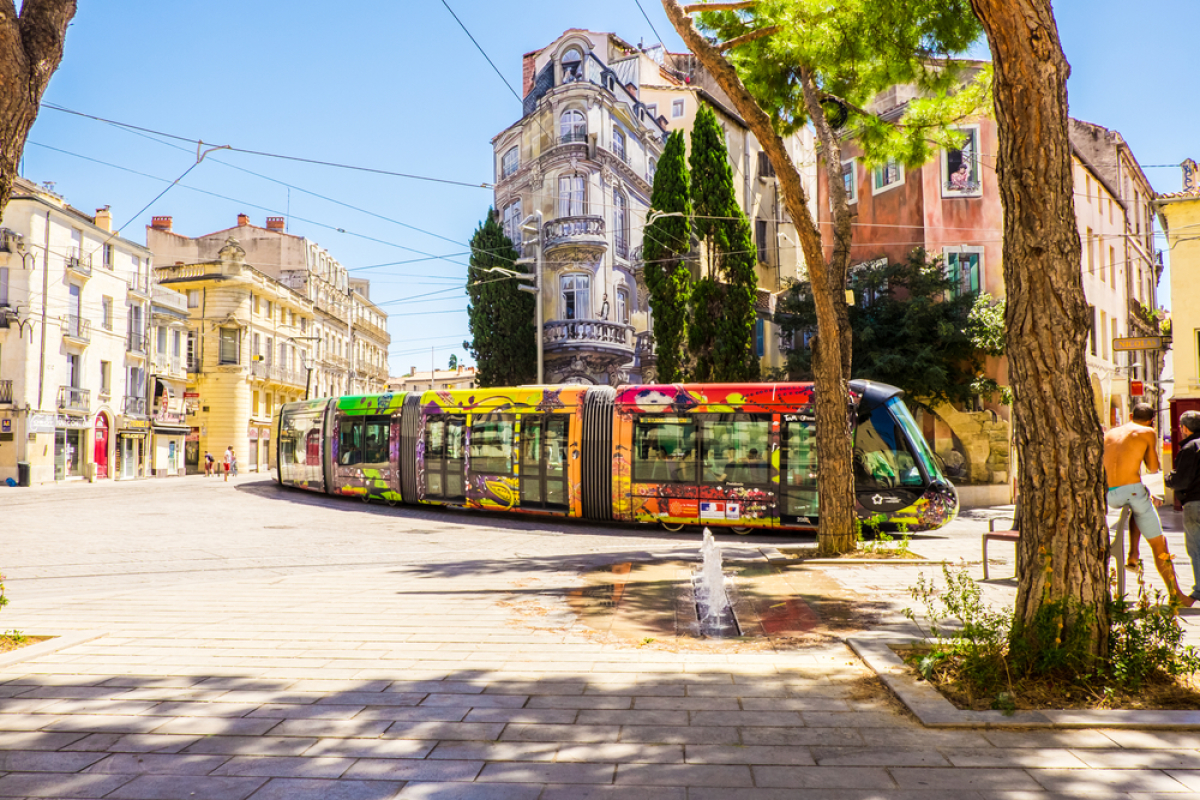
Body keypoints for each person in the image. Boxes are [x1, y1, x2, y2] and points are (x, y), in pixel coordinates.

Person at [1104, 404, 1193, 606]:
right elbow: (1153, 468)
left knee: (1138, 504)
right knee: (1159, 543)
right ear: (1151, 420)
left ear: (1130, 416)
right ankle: (1175, 593)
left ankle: (1133, 554)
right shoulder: (1147, 432)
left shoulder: (1110, 433)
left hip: (1108, 493)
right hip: (1132, 490)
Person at [1167, 411, 1200, 600]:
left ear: (1185, 428)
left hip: (1195, 503)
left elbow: (1180, 481)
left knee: (1196, 547)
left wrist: (1169, 479)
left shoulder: (1190, 448)